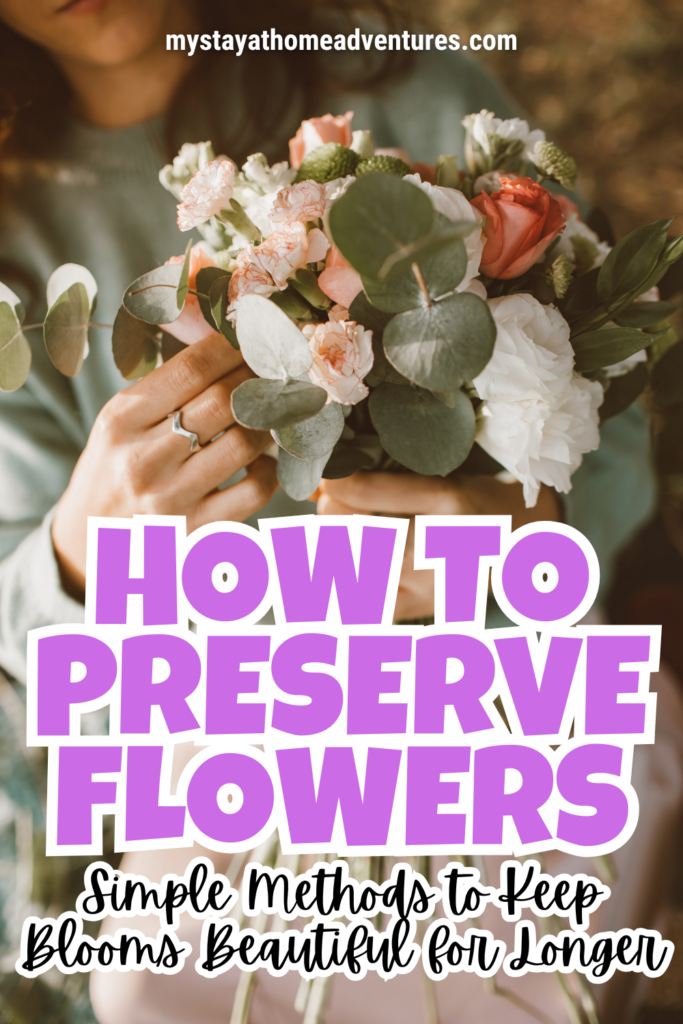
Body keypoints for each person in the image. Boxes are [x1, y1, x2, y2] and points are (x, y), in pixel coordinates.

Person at [0, 1, 664, 1022]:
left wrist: (524, 529)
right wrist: (76, 560)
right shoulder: (18, 241)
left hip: (479, 714)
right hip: (207, 768)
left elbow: (607, 431)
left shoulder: (403, 93)